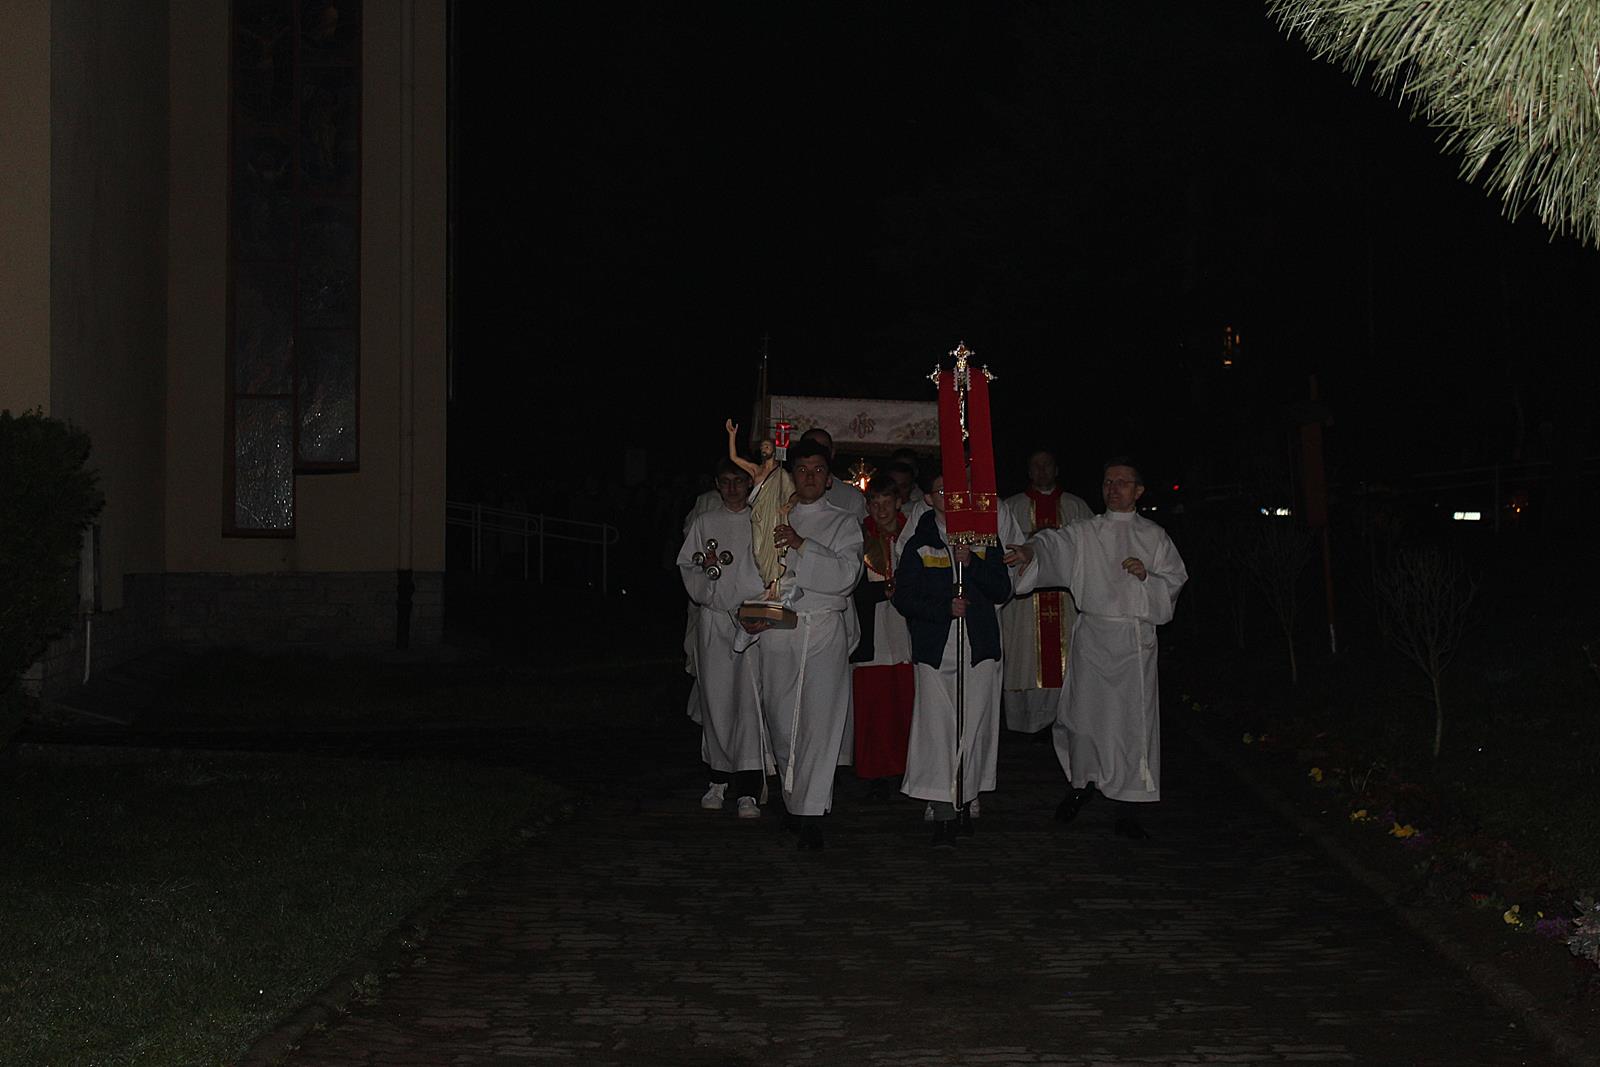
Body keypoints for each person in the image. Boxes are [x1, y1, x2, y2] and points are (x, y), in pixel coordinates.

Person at [1005, 457, 1188, 840]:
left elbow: (1173, 581)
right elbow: (1054, 542)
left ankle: (1129, 805)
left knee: (1131, 724)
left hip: (1132, 642)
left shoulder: (1154, 536)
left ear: (1138, 491)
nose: (1113, 489)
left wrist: (1147, 577)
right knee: (1082, 716)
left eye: (1122, 482)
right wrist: (1031, 551)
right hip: (1092, 636)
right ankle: (1082, 783)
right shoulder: (1087, 531)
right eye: (1107, 482)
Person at [738, 438, 863, 850]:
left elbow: (845, 576)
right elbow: (756, 568)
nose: (810, 477)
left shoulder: (844, 523)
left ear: (829, 479)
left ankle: (811, 813)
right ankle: (794, 802)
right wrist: (753, 613)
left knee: (819, 721)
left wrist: (802, 545)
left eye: (818, 470)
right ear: (793, 475)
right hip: (779, 631)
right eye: (803, 470)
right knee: (780, 716)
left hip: (822, 629)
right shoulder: (773, 513)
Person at [893, 471, 1012, 847]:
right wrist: (943, 608)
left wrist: (972, 562)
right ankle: (942, 806)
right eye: (942, 490)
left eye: (958, 490)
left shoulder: (984, 538)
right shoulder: (920, 543)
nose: (951, 495)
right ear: (929, 499)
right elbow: (904, 596)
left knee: (972, 724)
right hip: (936, 649)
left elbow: (1002, 588)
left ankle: (965, 797)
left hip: (978, 648)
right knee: (937, 727)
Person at [678, 459, 767, 817]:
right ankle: (718, 778)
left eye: (739, 481)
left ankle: (748, 787)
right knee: (715, 698)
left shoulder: (760, 520)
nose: (732, 488)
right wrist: (707, 578)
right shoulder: (706, 522)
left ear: (749, 484)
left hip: (752, 621)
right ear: (717, 484)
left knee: (750, 701)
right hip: (715, 619)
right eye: (726, 482)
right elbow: (688, 564)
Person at [999, 450, 1093, 736]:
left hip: (1065, 600)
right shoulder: (1010, 507)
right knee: (1023, 660)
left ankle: (1063, 725)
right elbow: (998, 548)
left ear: (1056, 469)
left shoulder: (1076, 507)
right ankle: (1023, 728)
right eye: (1035, 466)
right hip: (1023, 605)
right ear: (1029, 471)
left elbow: (1090, 551)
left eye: (1047, 465)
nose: (1041, 471)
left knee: (1066, 664)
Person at [848, 477, 915, 799]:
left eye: (887, 502)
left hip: (906, 632)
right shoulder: (858, 536)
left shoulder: (913, 533)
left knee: (905, 702)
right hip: (872, 630)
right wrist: (882, 591)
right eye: (875, 504)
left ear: (898, 502)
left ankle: (907, 767)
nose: (881, 510)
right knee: (873, 705)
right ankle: (874, 771)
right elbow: (849, 585)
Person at [726, 418, 797, 601]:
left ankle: (774, 588)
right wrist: (732, 436)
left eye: (767, 446)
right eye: (762, 447)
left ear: (774, 449)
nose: (764, 449)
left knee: (773, 551)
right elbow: (734, 458)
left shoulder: (781, 473)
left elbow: (793, 494)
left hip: (774, 517)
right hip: (758, 517)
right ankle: (768, 583)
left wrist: (788, 505)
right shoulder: (756, 470)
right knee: (758, 551)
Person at [799, 426, 868, 522]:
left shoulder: (851, 497)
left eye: (823, 449)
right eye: (811, 448)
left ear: (832, 453)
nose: (817, 455)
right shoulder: (785, 487)